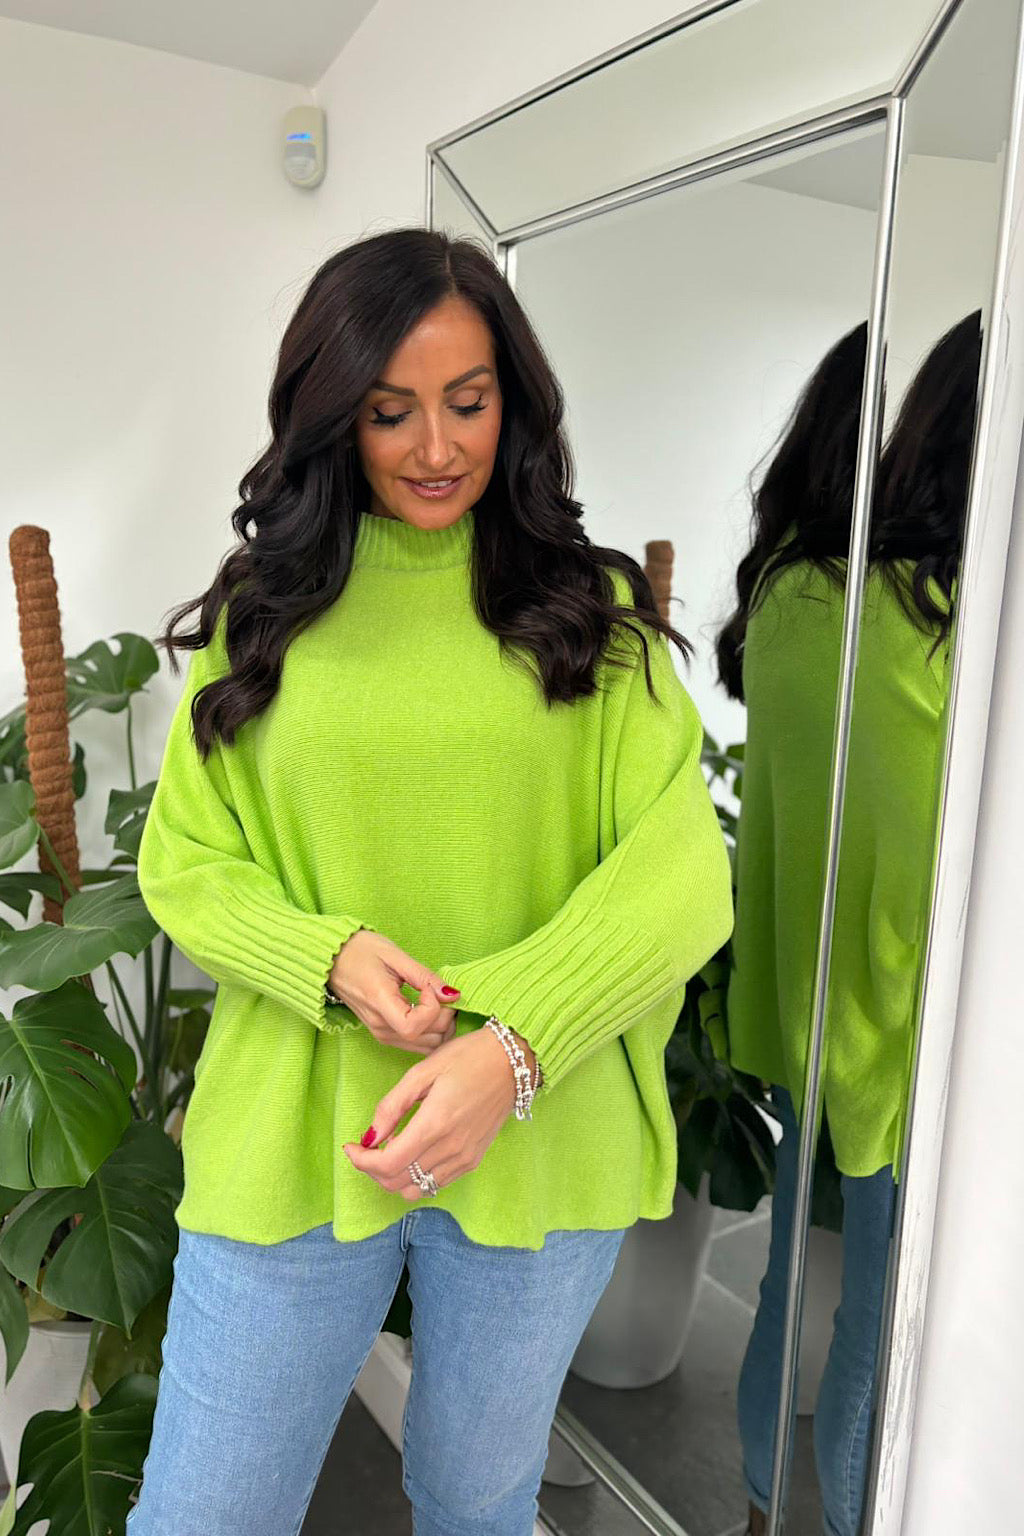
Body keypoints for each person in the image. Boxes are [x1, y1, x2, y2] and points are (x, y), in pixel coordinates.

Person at [128, 226, 734, 1535]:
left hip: (537, 1129)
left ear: (515, 401)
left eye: (469, 401)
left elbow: (684, 875)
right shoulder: (265, 615)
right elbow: (184, 859)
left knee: (476, 1500)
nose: (437, 447)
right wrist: (329, 957)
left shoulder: (593, 615)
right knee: (203, 1514)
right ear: (332, 417)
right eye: (390, 411)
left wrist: (511, 1044)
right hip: (294, 1128)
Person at [716, 312, 979, 1536]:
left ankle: (761, 1508)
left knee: (787, 1281)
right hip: (903, 1018)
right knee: (879, 1319)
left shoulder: (793, 594)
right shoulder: (947, 617)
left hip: (796, 995)